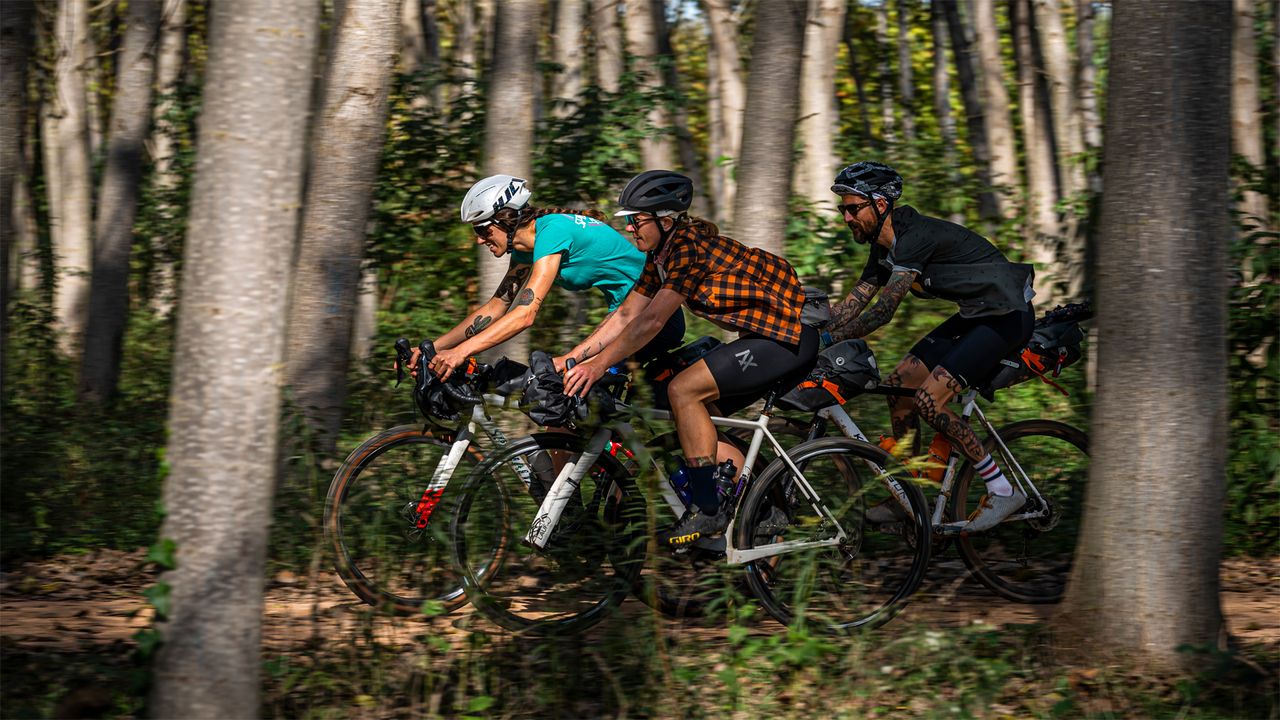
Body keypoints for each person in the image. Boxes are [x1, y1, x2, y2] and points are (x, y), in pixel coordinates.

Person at [563, 170, 819, 547]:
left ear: (665, 221)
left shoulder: (688, 247)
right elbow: (625, 315)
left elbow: (651, 320)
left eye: (637, 220)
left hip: (787, 339)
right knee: (691, 407)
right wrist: (572, 357)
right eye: (628, 221)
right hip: (765, 339)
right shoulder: (659, 256)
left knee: (684, 391)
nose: (631, 228)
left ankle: (708, 509)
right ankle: (763, 508)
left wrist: (598, 365)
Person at [825, 161, 1036, 532]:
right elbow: (852, 306)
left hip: (1006, 316)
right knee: (900, 386)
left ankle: (1002, 489)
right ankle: (910, 494)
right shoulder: (883, 247)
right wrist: (806, 327)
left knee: (927, 400)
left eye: (853, 207)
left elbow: (884, 310)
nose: (846, 217)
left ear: (880, 204)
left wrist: (831, 339)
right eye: (842, 208)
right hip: (976, 315)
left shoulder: (914, 237)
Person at [418, 174, 685, 380]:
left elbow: (525, 314)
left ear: (505, 220)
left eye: (483, 230)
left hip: (652, 316)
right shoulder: (527, 247)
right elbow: (496, 307)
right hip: (623, 317)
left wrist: (462, 352)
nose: (478, 240)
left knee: (570, 392)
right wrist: (433, 347)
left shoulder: (552, 233)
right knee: (566, 402)